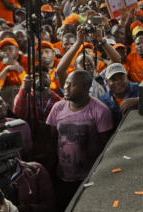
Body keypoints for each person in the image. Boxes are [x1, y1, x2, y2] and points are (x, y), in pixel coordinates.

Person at [46, 70, 113, 201]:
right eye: (66, 83)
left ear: (86, 87)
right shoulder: (58, 108)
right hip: (62, 175)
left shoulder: (100, 111)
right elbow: (52, 140)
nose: (65, 87)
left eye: (72, 85)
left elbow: (106, 147)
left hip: (89, 177)